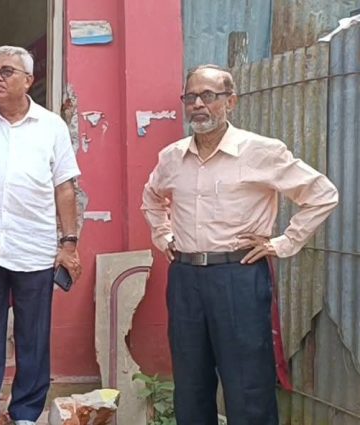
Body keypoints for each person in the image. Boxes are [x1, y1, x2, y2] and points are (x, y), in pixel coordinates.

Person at [141, 65, 339, 424]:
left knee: (248, 383)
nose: (198, 104)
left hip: (239, 275)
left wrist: (284, 243)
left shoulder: (260, 151)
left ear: (230, 101)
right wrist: (163, 235)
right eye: (190, 97)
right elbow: (152, 198)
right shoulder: (172, 157)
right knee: (190, 382)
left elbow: (321, 194)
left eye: (209, 96)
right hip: (185, 278)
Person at [0, 46, 81, 425]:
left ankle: (25, 414)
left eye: (6, 71)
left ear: (29, 80)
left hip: (34, 248)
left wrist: (69, 244)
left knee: (32, 337)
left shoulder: (52, 126)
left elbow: (65, 188)